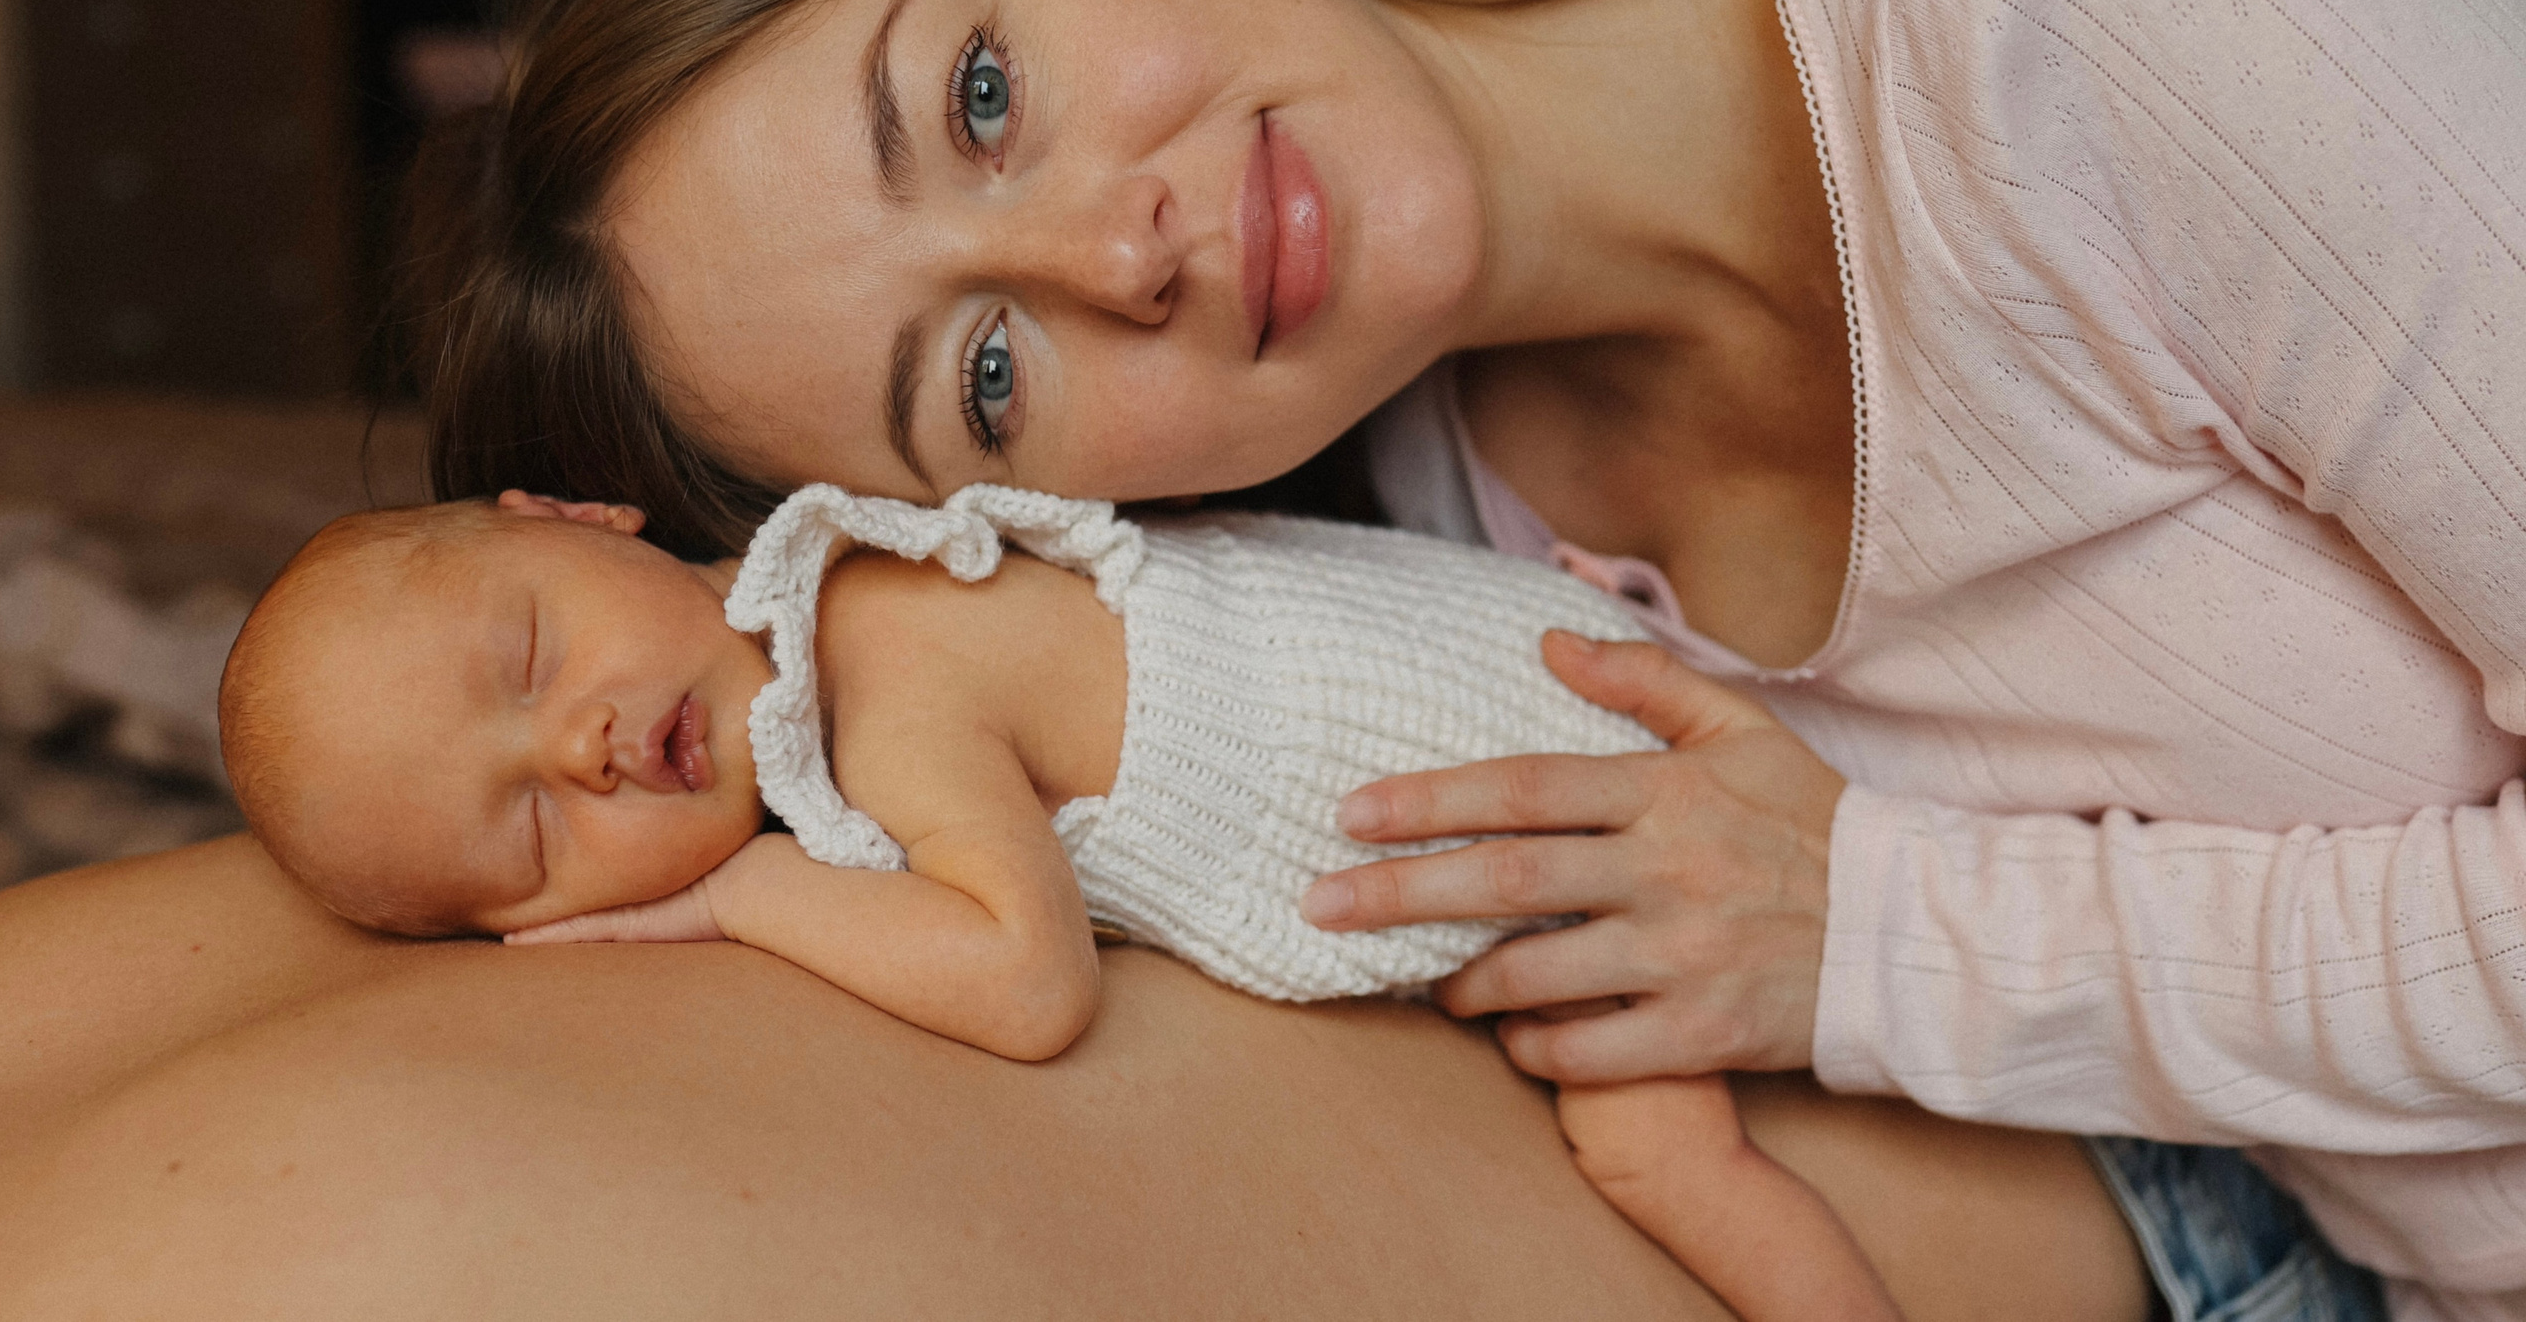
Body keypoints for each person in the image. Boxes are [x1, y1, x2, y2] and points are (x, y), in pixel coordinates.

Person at [0, 0, 2514, 1319]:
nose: (1117, 244)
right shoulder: (1388, 467)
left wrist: (1880, 941)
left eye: (975, 90)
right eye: (978, 376)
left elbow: (1874, 943)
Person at [218, 480, 1930, 1320]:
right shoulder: (852, 614)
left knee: (1661, 1158)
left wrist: (741, 895)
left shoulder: (888, 667)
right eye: (527, 837)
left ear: (578, 513)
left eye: (529, 652)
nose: (580, 745)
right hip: (1558, 730)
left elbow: (1029, 984)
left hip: (1577, 786)